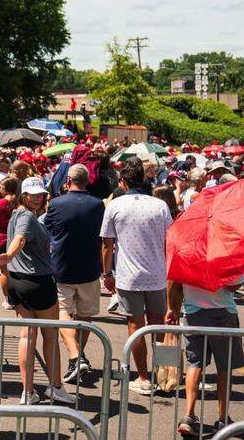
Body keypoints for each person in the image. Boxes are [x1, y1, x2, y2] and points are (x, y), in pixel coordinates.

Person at [0, 176, 76, 405]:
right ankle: (55, 387)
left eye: (41, 193)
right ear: (24, 195)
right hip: (36, 281)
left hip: (19, 281)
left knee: (27, 336)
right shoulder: (27, 217)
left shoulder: (16, 214)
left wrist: (8, 258)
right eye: (34, 194)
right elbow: (20, 239)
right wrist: (9, 255)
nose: (39, 198)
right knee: (48, 336)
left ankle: (28, 392)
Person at [100, 159, 172, 396]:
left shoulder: (115, 205)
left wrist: (106, 273)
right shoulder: (160, 205)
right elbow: (169, 240)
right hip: (157, 274)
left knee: (135, 325)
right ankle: (163, 376)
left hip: (129, 276)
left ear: (123, 181)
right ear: (143, 179)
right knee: (159, 326)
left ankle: (143, 377)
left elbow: (107, 244)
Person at [44, 163, 105, 382]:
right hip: (89, 266)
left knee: (64, 311)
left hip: (62, 265)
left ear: (68, 181)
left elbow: (47, 230)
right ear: (87, 181)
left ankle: (75, 355)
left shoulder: (57, 203)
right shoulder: (98, 205)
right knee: (85, 314)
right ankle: (76, 356)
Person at [175, 274, 244, 437]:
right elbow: (232, 286)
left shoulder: (189, 252)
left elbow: (175, 282)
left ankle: (188, 416)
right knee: (224, 367)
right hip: (223, 311)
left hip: (193, 312)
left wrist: (172, 308)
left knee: (194, 364)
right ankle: (222, 420)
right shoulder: (223, 252)